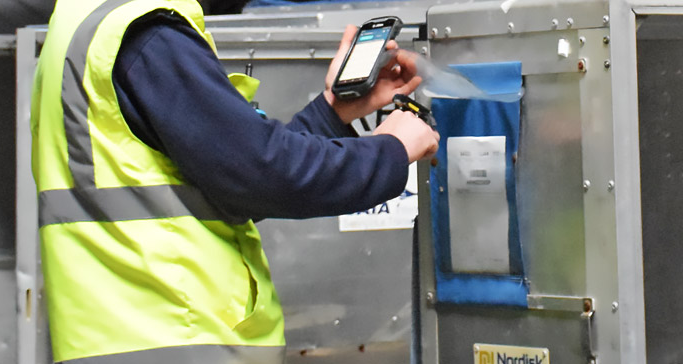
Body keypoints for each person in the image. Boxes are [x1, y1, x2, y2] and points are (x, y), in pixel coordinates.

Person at [30, 0, 440, 363]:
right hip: (178, 333)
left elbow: (220, 182)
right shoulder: (147, 34)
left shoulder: (85, 24)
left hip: (130, 333)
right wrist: (391, 147)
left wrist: (332, 112)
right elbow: (262, 175)